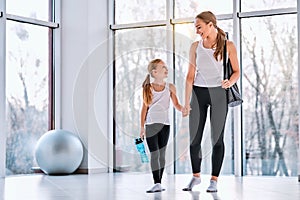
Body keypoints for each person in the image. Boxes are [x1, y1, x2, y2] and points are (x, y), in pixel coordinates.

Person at [182, 11, 240, 192]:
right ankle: (196, 176)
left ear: (210, 24)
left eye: (199, 27)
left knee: (217, 139)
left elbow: (237, 71)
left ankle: (214, 180)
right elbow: (190, 77)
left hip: (219, 94)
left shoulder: (228, 45)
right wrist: (186, 103)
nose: (197, 31)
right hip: (198, 94)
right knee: (194, 139)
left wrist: (230, 81)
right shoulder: (195, 47)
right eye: (195, 27)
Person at [140, 58, 184, 193]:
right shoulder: (148, 87)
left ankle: (159, 182)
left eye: (166, 67)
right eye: (163, 67)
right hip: (151, 124)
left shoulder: (170, 87)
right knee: (154, 154)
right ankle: (157, 182)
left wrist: (184, 109)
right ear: (154, 72)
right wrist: (142, 127)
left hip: (165, 125)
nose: (166, 69)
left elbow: (176, 104)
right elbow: (144, 108)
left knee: (162, 155)